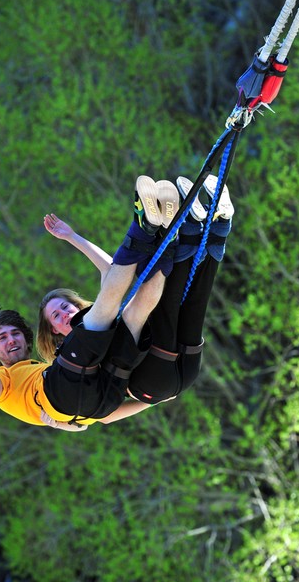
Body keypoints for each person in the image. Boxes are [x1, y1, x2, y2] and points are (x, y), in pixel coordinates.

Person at [0, 176, 181, 429]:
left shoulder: (42, 367)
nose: (11, 340)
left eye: (15, 334)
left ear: (26, 338)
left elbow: (96, 419)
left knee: (134, 310)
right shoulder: (4, 378)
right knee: (112, 303)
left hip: (92, 401)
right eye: (3, 338)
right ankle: (144, 230)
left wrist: (73, 236)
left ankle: (164, 243)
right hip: (70, 399)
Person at [37, 174, 234, 424]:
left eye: (66, 306)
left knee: (195, 304)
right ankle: (175, 233)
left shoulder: (98, 319)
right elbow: (103, 418)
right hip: (150, 382)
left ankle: (216, 228)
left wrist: (72, 237)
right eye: (57, 315)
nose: (66, 313)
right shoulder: (72, 358)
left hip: (180, 371)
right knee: (160, 305)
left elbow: (112, 272)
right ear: (54, 332)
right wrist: (149, 401)